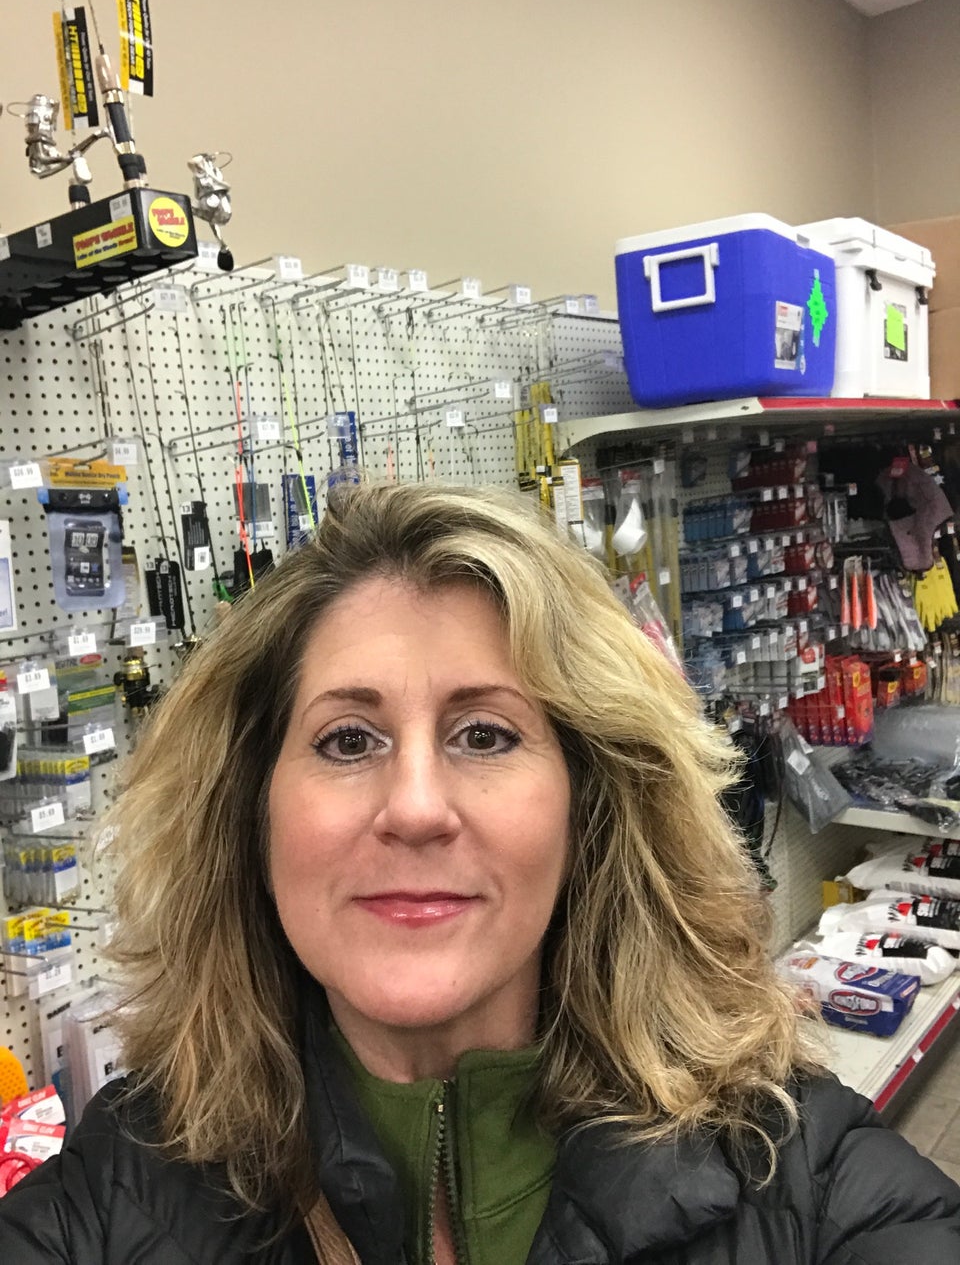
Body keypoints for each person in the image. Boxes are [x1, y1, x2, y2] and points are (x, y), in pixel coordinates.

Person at [1, 481, 958, 1264]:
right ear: (251, 814)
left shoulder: (802, 1179)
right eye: (348, 739)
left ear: (591, 803)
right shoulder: (118, 1186)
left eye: (487, 734)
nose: (416, 806)